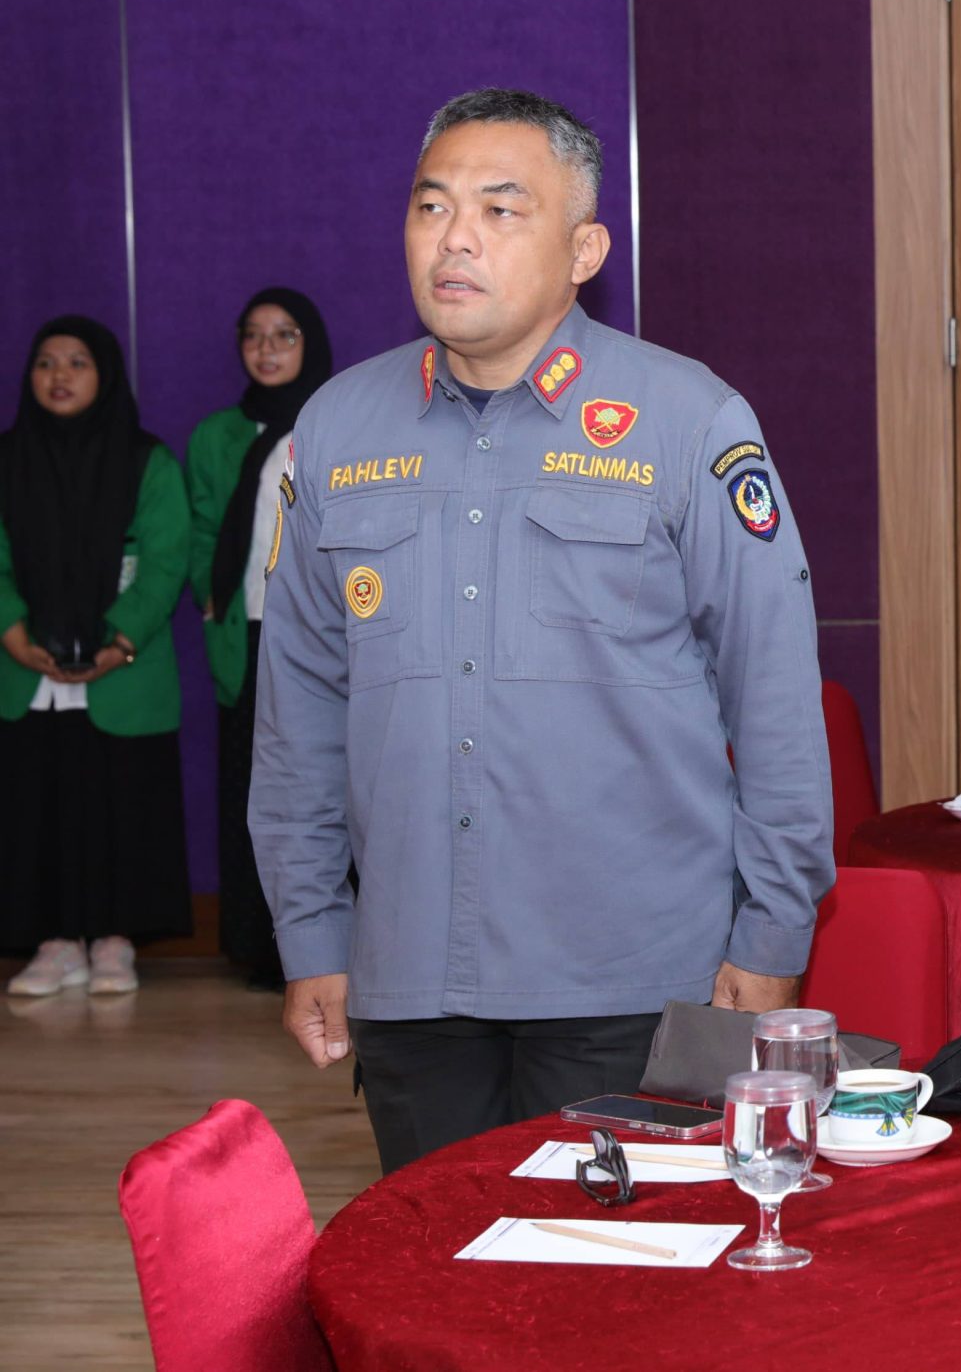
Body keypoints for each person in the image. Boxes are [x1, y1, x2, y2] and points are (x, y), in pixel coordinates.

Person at [250, 88, 833, 1172]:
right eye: (431, 206)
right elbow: (300, 711)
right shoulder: (335, 431)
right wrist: (312, 930)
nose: (454, 237)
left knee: (624, 1275)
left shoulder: (689, 421)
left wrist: (773, 934)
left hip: (633, 978)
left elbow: (775, 698)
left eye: (500, 208)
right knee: (434, 1271)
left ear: (584, 249)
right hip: (411, 975)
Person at [2, 318, 194, 997]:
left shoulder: (148, 461)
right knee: (38, 806)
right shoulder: (7, 459)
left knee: (122, 804)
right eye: (46, 362)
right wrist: (13, 633)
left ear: (105, 374)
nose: (59, 376)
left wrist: (120, 641)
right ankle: (55, 945)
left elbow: (167, 561)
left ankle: (115, 943)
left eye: (77, 362)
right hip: (26, 671)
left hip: (125, 671)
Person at [186, 287, 334, 988]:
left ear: (312, 343)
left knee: (323, 790)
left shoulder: (334, 422)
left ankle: (329, 948)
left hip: (320, 640)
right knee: (254, 793)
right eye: (253, 335)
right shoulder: (217, 434)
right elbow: (202, 528)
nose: (267, 349)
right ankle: (258, 946)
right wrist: (208, 591)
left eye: (284, 335)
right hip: (245, 633)